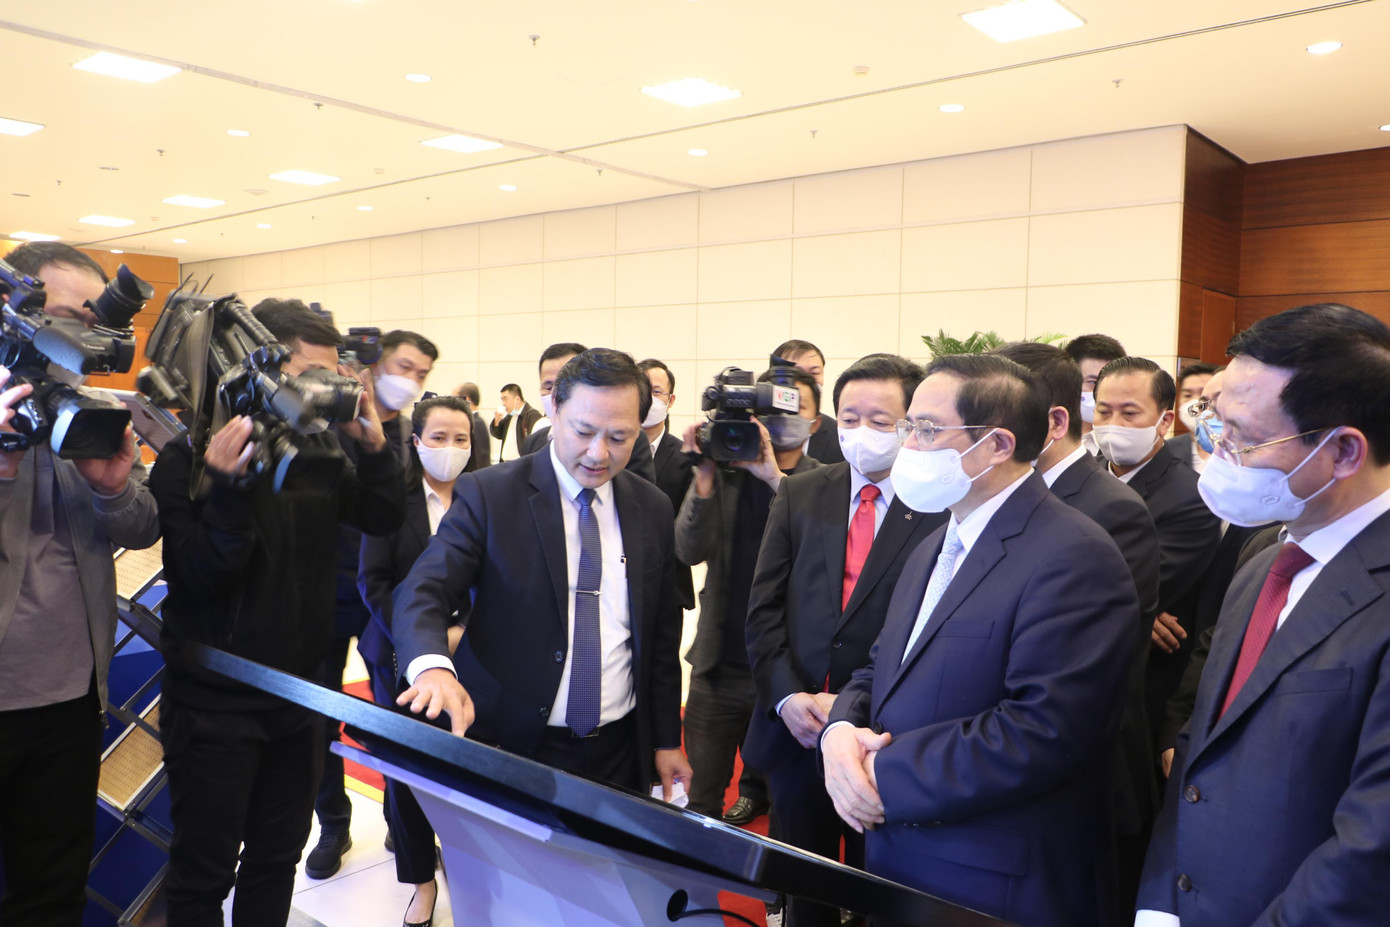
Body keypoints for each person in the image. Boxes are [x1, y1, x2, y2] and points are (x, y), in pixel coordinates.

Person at [822, 353, 1139, 927]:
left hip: (990, 880)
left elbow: (1043, 730)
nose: (906, 445)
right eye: (908, 426)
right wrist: (841, 730)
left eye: (925, 430)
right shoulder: (935, 544)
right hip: (902, 858)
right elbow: (882, 668)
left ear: (996, 444)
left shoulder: (1074, 554)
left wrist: (877, 773)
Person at [151, 300, 405, 926]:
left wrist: (375, 450)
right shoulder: (189, 460)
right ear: (257, 368)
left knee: (276, 860)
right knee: (203, 872)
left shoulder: (318, 454)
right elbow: (204, 576)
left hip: (299, 698)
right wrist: (231, 486)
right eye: (312, 373)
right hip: (214, 706)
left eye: (333, 373)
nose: (327, 389)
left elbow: (381, 517)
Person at [1137, 303, 1390, 926]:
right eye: (1214, 425)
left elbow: (1371, 850)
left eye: (1242, 438)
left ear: (1344, 451)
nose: (1216, 452)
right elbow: (1199, 756)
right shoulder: (1264, 561)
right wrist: (1159, 905)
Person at [390, 349, 692, 801]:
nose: (598, 453)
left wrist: (666, 739)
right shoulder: (491, 494)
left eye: (619, 437)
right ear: (554, 411)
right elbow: (424, 589)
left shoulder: (651, 506)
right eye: (584, 431)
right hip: (513, 743)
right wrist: (432, 667)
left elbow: (661, 635)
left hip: (619, 747)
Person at [745, 354, 942, 927]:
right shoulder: (801, 493)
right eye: (850, 418)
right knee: (802, 886)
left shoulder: (937, 505)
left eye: (880, 421)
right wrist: (788, 698)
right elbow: (763, 610)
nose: (862, 433)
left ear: (911, 424)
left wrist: (858, 707)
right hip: (796, 727)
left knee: (875, 889)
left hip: (883, 736)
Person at [0, 241, 162, 927]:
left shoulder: (91, 407)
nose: (84, 344)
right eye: (69, 320)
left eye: (97, 325)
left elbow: (144, 524)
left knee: (53, 890)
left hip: (70, 701)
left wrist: (113, 487)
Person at [994, 340, 1162, 915]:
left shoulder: (1110, 507)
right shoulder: (989, 496)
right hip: (1004, 774)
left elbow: (1090, 668)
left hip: (1079, 777)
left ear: (1053, 421)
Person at [308, 327, 437, 880]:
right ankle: (333, 824)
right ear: (374, 366)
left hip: (383, 595)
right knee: (318, 718)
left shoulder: (411, 432)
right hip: (324, 591)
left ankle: (399, 820)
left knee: (394, 713)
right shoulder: (328, 423)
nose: (411, 381)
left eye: (422, 374)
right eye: (404, 367)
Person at [677, 367, 822, 825]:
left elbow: (823, 557)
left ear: (815, 423)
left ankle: (775, 878)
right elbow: (687, 549)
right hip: (719, 665)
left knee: (789, 803)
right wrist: (704, 473)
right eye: (770, 412)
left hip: (788, 673)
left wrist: (775, 478)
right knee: (701, 798)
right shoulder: (725, 473)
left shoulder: (824, 483)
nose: (780, 422)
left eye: (793, 410)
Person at [358, 395, 474, 927]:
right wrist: (420, 647)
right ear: (416, 441)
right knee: (406, 778)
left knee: (467, 774)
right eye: (439, 438)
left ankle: (469, 869)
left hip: (474, 656)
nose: (450, 448)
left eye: (461, 439)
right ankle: (422, 883)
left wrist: (462, 632)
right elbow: (373, 582)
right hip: (397, 659)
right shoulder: (391, 502)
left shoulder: (483, 498)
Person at [1092, 357, 1222, 745]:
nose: (1114, 424)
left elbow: (1136, 592)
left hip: (1142, 685)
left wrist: (1138, 613)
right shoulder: (1076, 479)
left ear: (1164, 421)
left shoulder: (1190, 497)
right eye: (1104, 411)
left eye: (1130, 413)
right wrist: (1139, 618)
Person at [523, 343, 657, 482]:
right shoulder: (508, 487)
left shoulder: (646, 495)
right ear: (556, 404)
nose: (598, 455)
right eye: (583, 433)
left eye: (617, 439)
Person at [637, 358, 695, 612]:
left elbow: (688, 527)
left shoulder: (686, 456)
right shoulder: (612, 451)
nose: (649, 399)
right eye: (643, 390)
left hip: (669, 586)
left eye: (657, 392)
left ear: (670, 401)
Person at [774, 339, 844, 465]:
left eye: (814, 373)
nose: (806, 380)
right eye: (796, 372)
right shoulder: (755, 427)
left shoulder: (839, 436)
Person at [1065, 333, 1127, 456]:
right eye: (1093, 382)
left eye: (1110, 382)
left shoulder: (1126, 444)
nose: (1101, 391)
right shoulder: (1047, 441)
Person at [1167, 362, 1221, 474]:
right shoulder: (1168, 449)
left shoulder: (1241, 450)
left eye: (1203, 394)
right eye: (1188, 395)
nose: (1195, 402)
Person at [490, 383, 539, 463]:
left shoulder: (531, 415)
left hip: (521, 464)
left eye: (505, 399)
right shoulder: (511, 415)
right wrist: (496, 421)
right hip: (506, 464)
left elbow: (536, 444)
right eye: (502, 400)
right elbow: (497, 434)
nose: (503, 403)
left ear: (517, 399)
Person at [453, 381, 491, 469]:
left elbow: (479, 459)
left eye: (455, 397)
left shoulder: (476, 423)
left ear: (466, 400)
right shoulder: (471, 421)